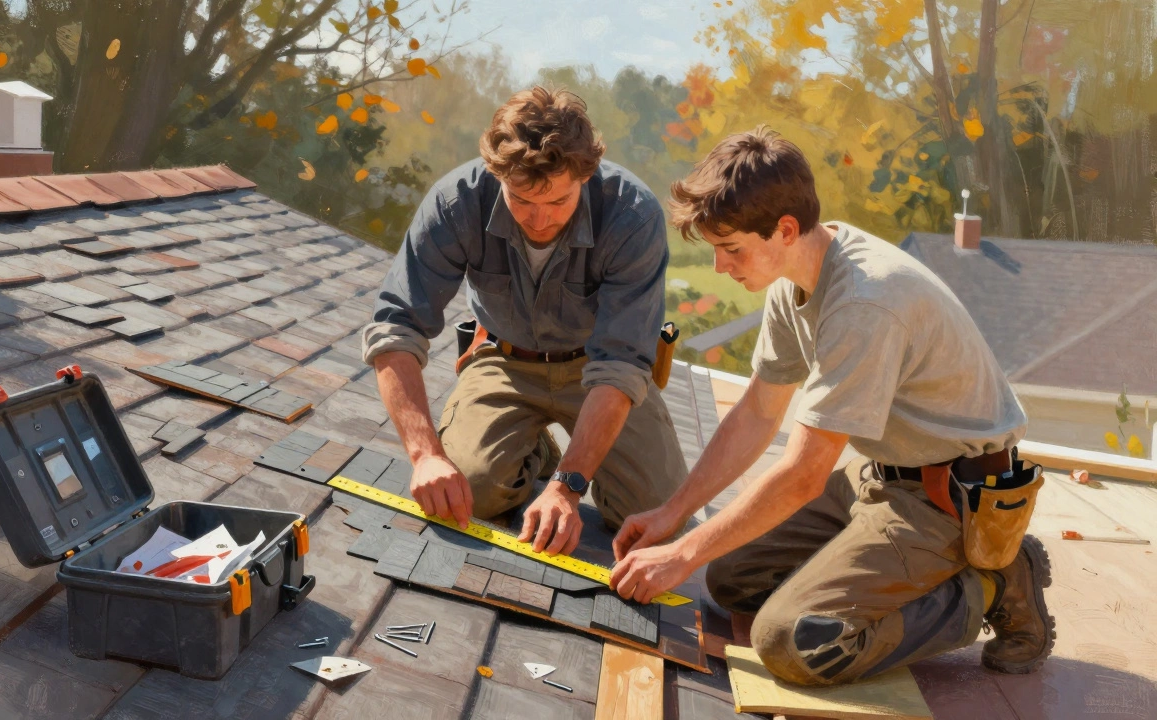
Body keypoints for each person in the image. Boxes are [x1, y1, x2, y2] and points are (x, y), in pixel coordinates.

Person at [609, 126, 1054, 685]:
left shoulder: (865, 302)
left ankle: (991, 581)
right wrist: (673, 517)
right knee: (729, 579)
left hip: (950, 497)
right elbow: (756, 415)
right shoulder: (789, 277)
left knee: (795, 641)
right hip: (879, 475)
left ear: (785, 229)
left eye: (731, 249)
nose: (722, 267)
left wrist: (680, 556)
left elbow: (802, 476)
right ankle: (880, 569)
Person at [362, 87, 688, 556]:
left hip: (597, 376)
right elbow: (396, 327)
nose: (539, 220)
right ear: (497, 175)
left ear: (586, 173)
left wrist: (567, 487)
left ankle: (557, 459)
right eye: (521, 199)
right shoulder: (456, 202)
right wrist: (425, 455)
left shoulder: (632, 216)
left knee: (657, 519)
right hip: (504, 360)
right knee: (464, 496)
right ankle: (534, 449)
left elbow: (620, 364)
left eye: (558, 202)